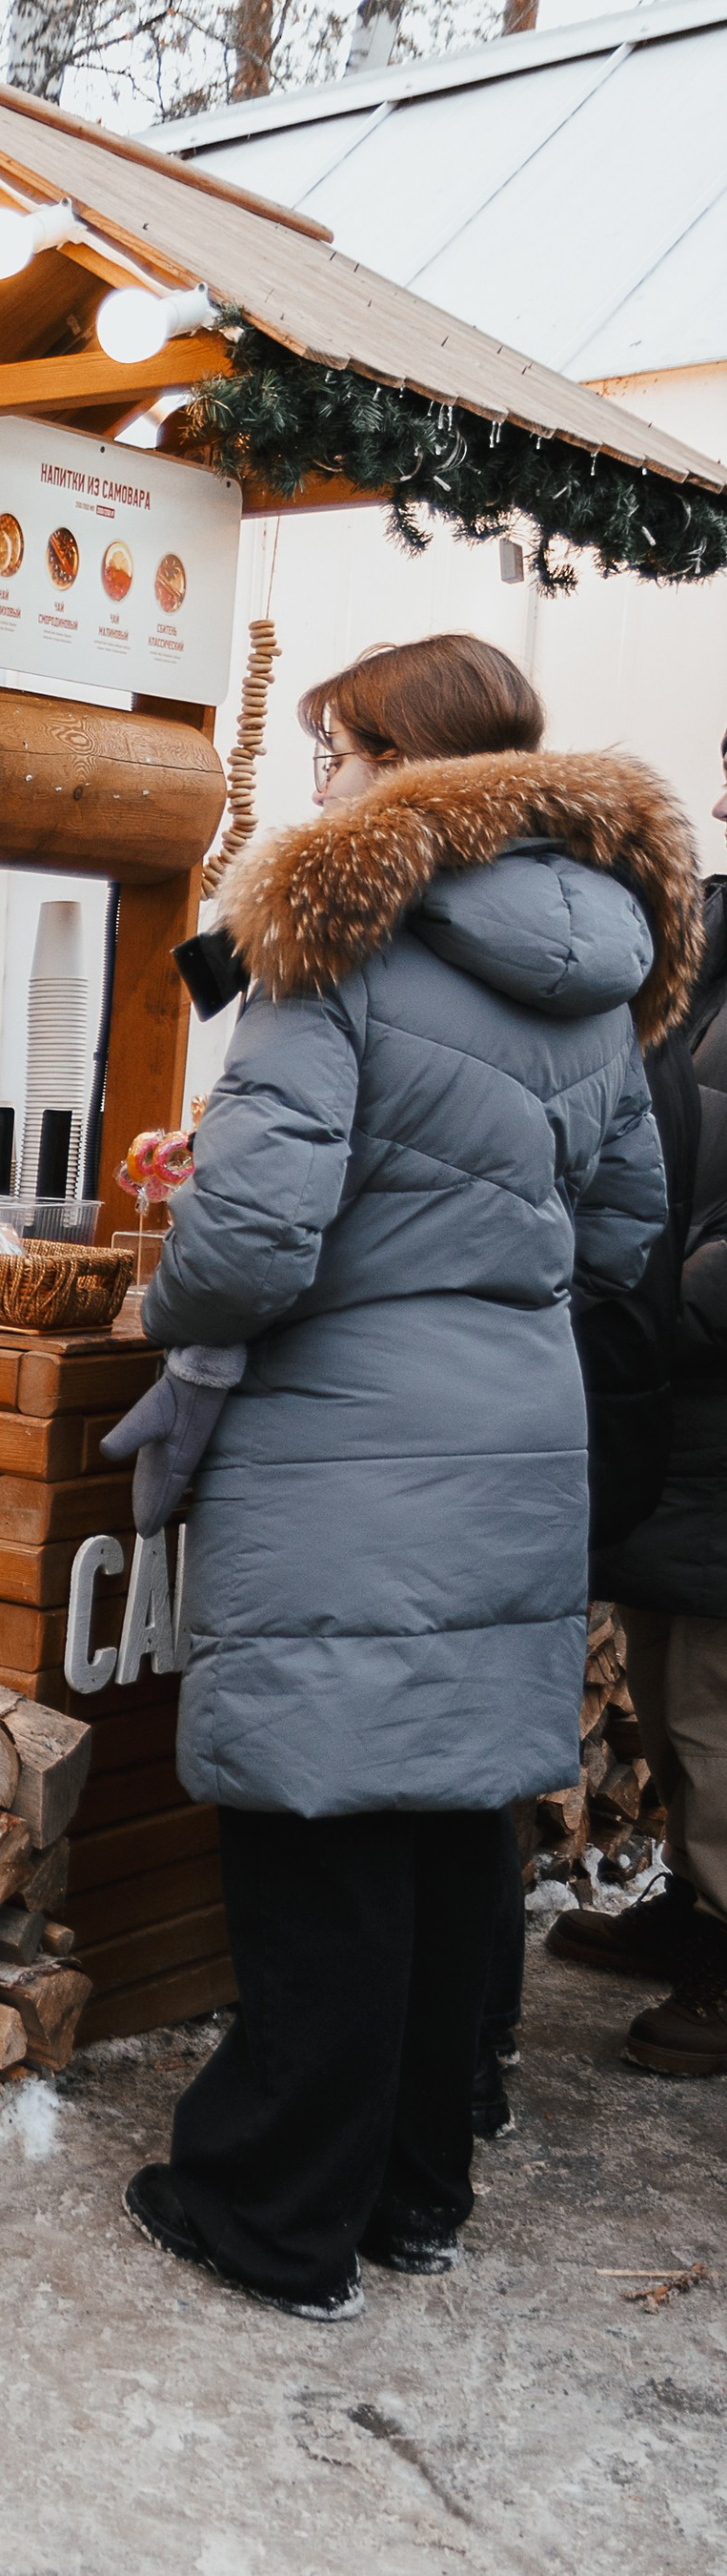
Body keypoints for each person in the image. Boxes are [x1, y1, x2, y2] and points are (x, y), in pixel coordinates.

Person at [108, 632, 687, 2321]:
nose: (321, 786)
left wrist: (182, 1302)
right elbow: (625, 1232)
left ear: (402, 762)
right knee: (451, 1825)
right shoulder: (599, 964)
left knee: (322, 1819)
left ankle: (273, 2213)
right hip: (518, 1409)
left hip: (346, 1424)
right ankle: (420, 2193)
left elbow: (257, 1235)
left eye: (335, 751)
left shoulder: (337, 940)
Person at [560, 724, 727, 2071]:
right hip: (681, 1383)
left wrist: (681, 1297)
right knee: (674, 1679)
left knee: (717, 1698)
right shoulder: (711, 932)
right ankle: (697, 1909)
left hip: (708, 1359)